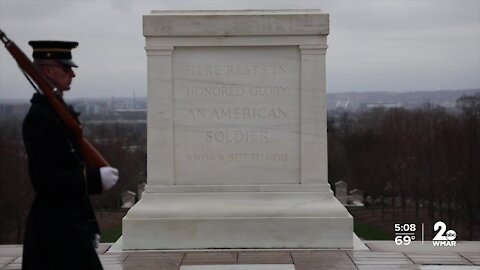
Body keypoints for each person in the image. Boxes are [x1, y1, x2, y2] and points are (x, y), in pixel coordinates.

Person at [21, 40, 119, 270]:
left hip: (70, 226)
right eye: (66, 68)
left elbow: (70, 173)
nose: (72, 74)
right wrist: (95, 179)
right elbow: (46, 181)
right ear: (47, 70)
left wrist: (91, 224)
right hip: (55, 231)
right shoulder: (42, 118)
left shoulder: (56, 114)